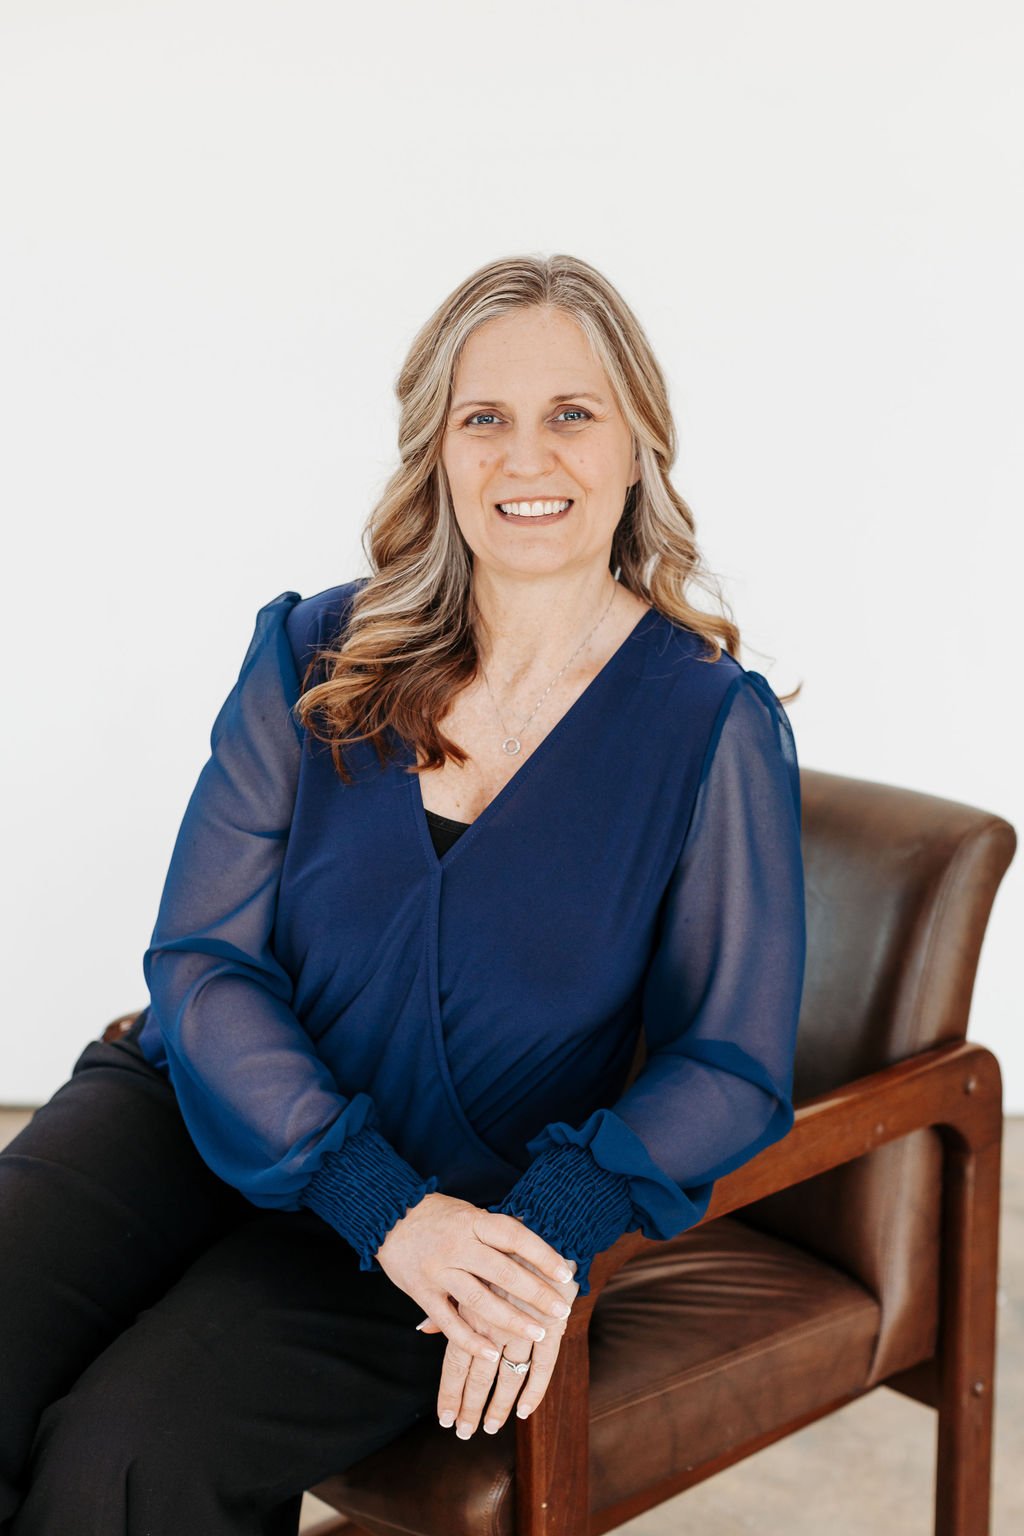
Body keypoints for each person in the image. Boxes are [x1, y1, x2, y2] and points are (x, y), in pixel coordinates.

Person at [0, 252, 806, 1536]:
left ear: (639, 442)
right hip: (202, 1110)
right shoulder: (313, 652)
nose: (525, 457)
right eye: (483, 417)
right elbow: (202, 960)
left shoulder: (709, 726)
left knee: (130, 1463)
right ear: (436, 447)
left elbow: (730, 1060)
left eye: (571, 413)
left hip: (448, 1214)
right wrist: (364, 1192)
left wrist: (536, 1232)